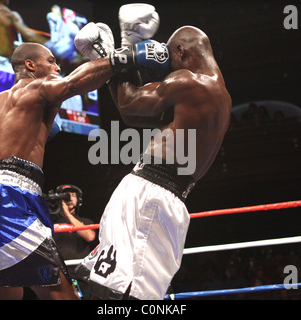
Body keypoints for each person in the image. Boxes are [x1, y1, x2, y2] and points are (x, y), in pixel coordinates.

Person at [73, 7, 232, 299]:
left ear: (182, 52)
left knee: (124, 291)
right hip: (163, 196)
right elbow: (133, 116)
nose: (167, 67)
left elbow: (129, 103)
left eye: (170, 58)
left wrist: (122, 51)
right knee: (123, 288)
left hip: (151, 196)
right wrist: (118, 58)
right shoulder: (220, 95)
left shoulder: (189, 81)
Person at [0, 36, 119, 300]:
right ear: (31, 65)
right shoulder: (39, 88)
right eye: (51, 61)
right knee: (58, 290)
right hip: (8, 197)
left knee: (6, 289)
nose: (57, 68)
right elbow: (73, 83)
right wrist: (120, 59)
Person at [49, 184, 96, 298]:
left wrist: (68, 215)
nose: (69, 197)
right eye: (66, 195)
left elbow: (90, 236)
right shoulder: (50, 223)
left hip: (81, 275)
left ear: (78, 200)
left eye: (73, 195)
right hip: (59, 276)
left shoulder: (85, 221)